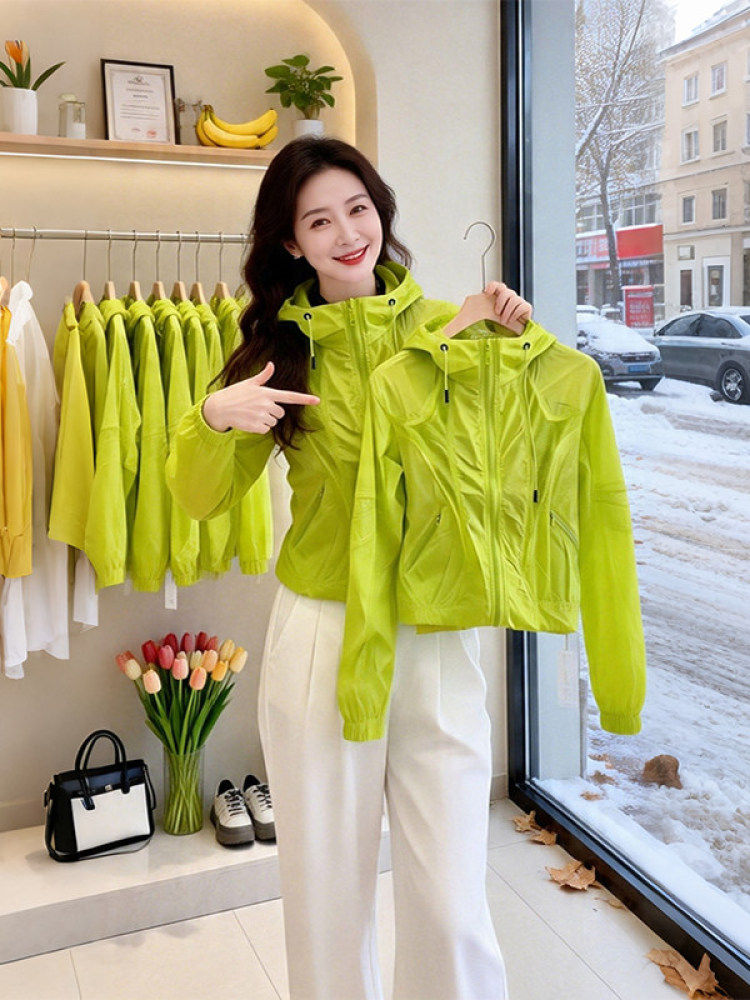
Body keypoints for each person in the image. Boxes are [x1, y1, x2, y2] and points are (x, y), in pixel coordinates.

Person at [166, 135, 531, 1000]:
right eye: (319, 221)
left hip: (433, 634)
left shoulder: (445, 326)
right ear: (292, 243)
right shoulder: (278, 352)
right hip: (323, 638)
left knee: (452, 906)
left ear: (381, 211)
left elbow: (505, 474)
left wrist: (503, 348)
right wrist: (213, 417)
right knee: (327, 896)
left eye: (358, 209)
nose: (346, 234)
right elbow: (199, 498)